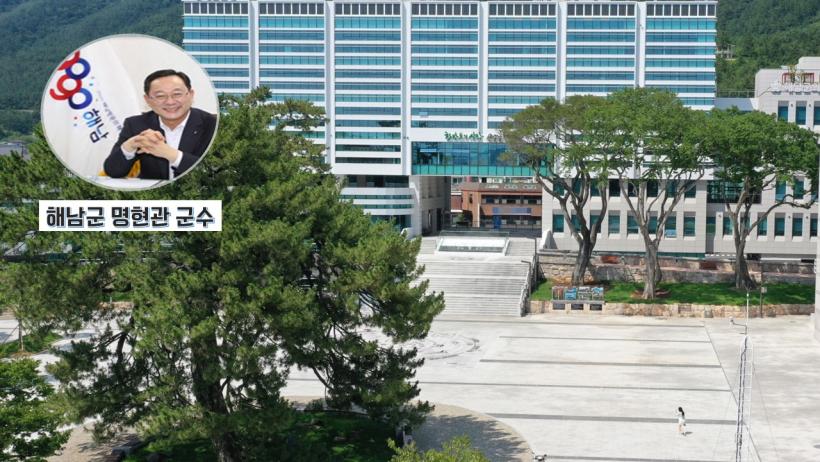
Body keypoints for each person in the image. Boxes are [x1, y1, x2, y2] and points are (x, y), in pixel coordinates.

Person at [103, 69, 216, 180]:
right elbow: (113, 171)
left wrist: (170, 154)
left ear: (190, 95)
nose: (170, 102)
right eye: (160, 96)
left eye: (177, 94)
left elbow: (216, 171)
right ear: (148, 100)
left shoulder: (213, 124)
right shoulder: (136, 124)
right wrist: (130, 145)